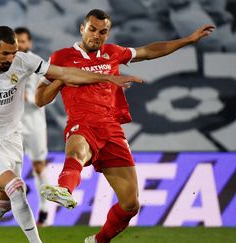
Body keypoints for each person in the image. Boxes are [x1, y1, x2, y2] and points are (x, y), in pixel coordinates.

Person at [0, 26, 142, 243]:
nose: (11, 59)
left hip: (12, 139)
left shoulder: (23, 61)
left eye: (14, 53)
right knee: (17, 188)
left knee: (3, 203)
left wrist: (107, 77)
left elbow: (66, 73)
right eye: (5, 53)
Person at [35, 9, 214, 243]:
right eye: (92, 29)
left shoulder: (113, 53)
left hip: (112, 129)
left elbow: (149, 51)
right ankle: (64, 190)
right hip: (82, 123)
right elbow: (40, 99)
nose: (96, 36)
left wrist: (188, 40)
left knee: (130, 205)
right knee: (78, 149)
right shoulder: (61, 57)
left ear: (107, 34)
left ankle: (98, 241)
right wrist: (63, 77)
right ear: (82, 28)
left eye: (103, 32)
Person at [14, 27, 50, 226]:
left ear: (30, 43)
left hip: (35, 123)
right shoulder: (5, 64)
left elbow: (48, 98)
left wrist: (29, 98)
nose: (20, 45)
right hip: (14, 123)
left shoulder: (40, 65)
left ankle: (44, 210)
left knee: (38, 167)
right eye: (16, 41)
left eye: (23, 41)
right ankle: (19, 198)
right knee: (11, 166)